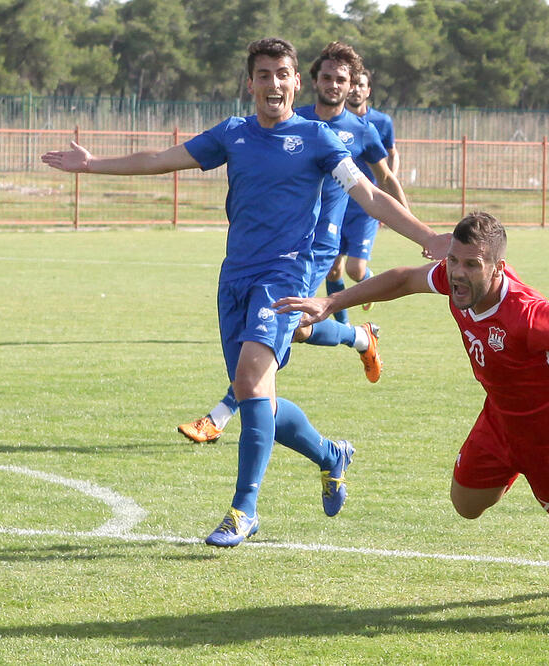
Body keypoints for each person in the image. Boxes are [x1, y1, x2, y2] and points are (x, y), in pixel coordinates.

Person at [42, 37, 448, 548]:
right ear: (251, 83)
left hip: (284, 278)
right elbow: (164, 158)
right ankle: (329, 455)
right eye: (263, 74)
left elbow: (368, 193)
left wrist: (429, 237)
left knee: (253, 381)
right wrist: (93, 164)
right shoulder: (233, 134)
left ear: (295, 82)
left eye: (283, 74)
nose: (274, 83)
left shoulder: (320, 138)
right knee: (261, 401)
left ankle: (243, 510)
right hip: (233, 279)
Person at [274, 211, 549, 581]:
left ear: (498, 268)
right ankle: (538, 433)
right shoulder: (457, 282)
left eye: (471, 264)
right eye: (453, 259)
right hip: (499, 416)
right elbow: (404, 280)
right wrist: (331, 303)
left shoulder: (531, 315)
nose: (456, 272)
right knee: (466, 504)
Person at [176, 42, 406, 445]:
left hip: (312, 248)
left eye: (343, 80)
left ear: (353, 87)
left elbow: (379, 181)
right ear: (312, 81)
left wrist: (411, 223)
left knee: (271, 336)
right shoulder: (291, 119)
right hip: (289, 243)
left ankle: (220, 415)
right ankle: (360, 337)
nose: (334, 86)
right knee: (295, 327)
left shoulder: (360, 129)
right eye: (328, 78)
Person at [324, 67, 401, 324]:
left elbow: (389, 157)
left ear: (368, 91)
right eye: (352, 84)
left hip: (365, 206)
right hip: (337, 204)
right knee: (333, 269)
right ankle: (343, 326)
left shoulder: (378, 123)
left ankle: (368, 282)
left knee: (354, 269)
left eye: (361, 85)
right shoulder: (328, 121)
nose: (355, 89)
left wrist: (394, 207)